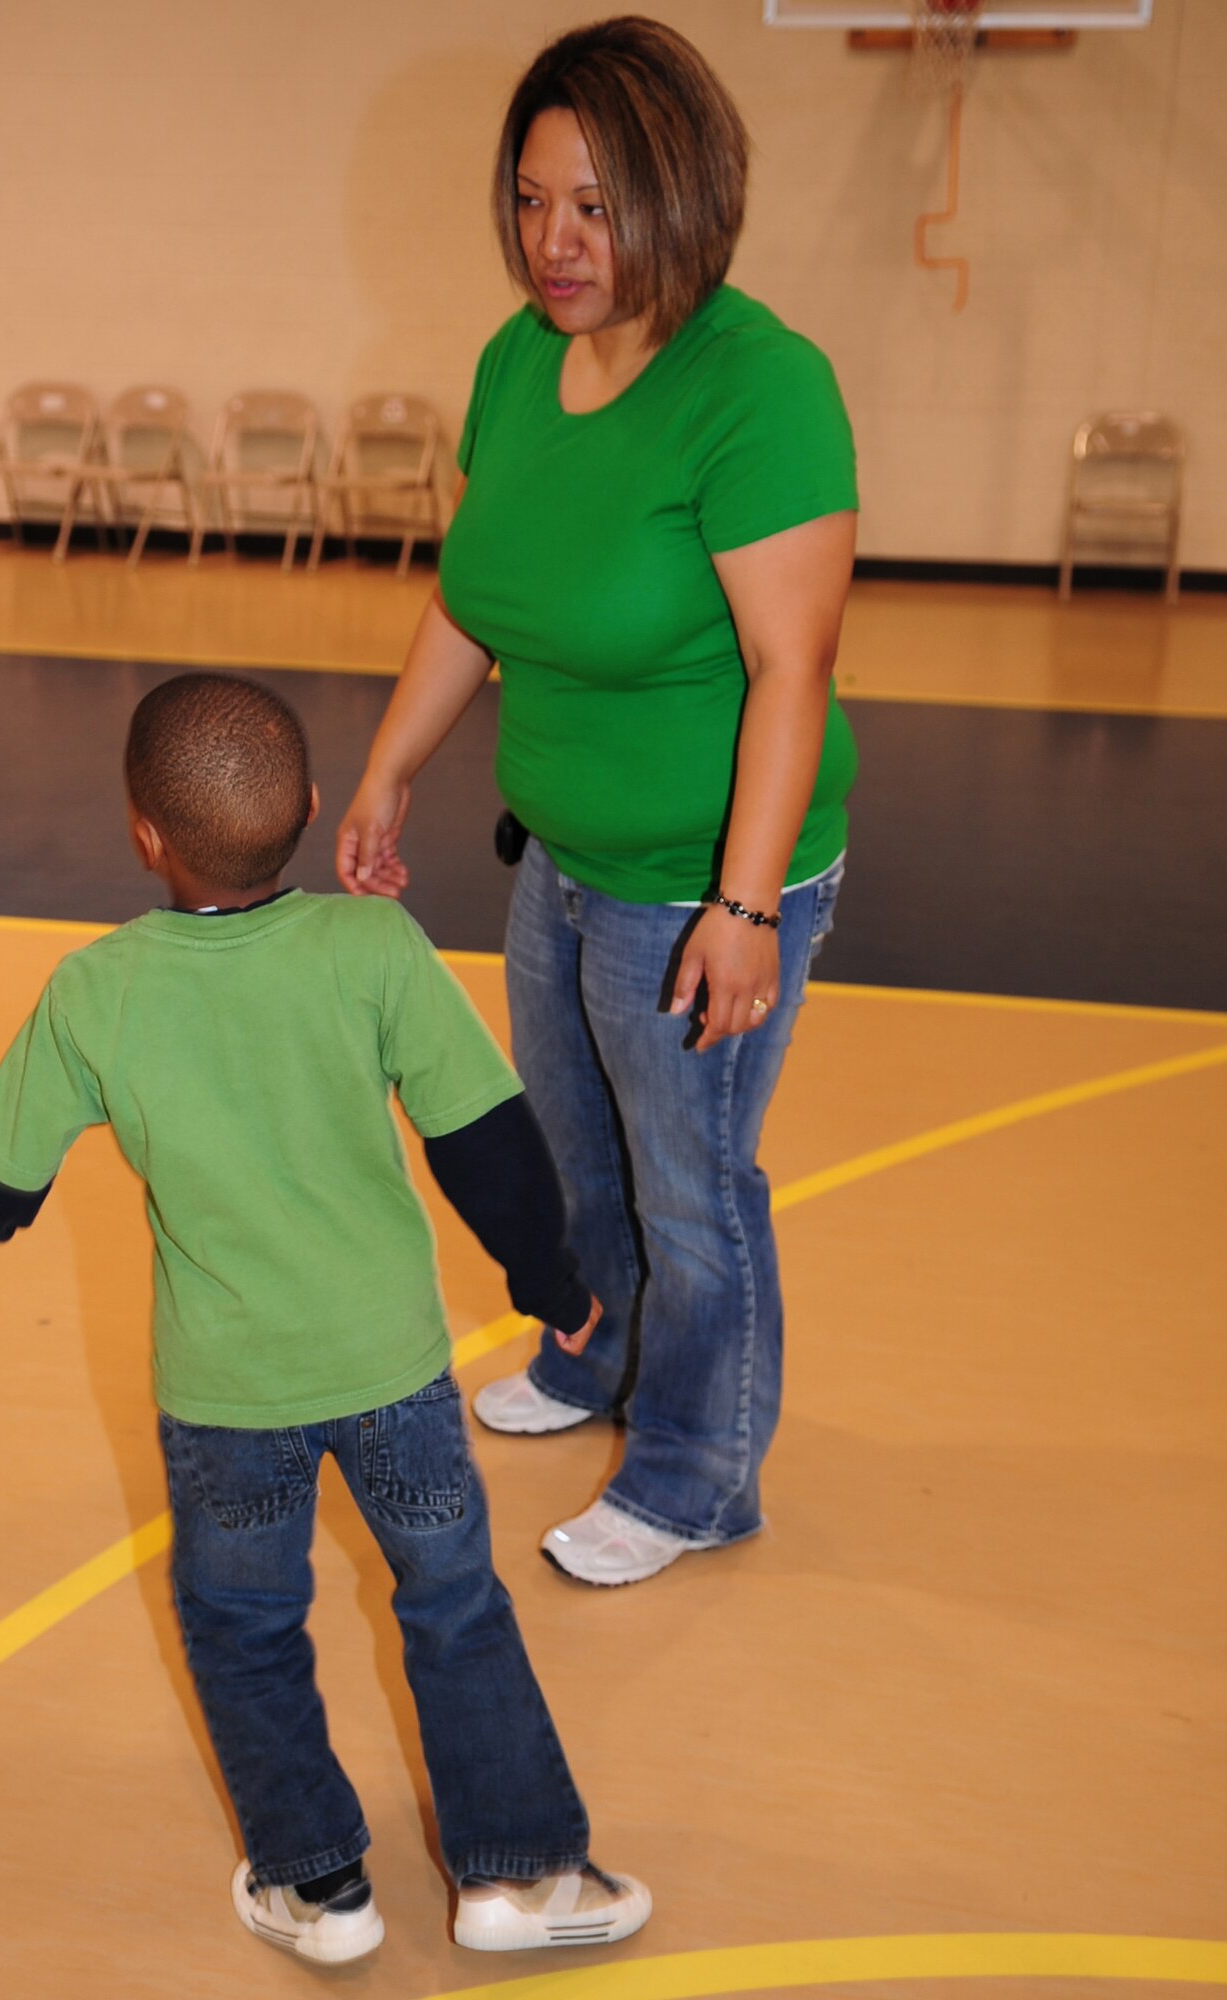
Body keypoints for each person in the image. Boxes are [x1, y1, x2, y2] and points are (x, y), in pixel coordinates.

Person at [0, 671, 651, 1967]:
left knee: (241, 1626)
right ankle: (520, 1877)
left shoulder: (95, 989)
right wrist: (549, 1284)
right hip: (392, 1372)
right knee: (451, 1605)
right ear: (316, 809)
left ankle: (317, 1889)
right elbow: (486, 1142)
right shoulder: (373, 948)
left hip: (224, 1399)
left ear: (141, 832)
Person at [338, 17, 858, 1589]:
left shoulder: (759, 388)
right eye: (529, 199)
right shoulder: (515, 362)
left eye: (595, 207)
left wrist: (746, 904)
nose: (553, 244)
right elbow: (474, 598)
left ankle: (700, 1472)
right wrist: (388, 764)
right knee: (573, 1150)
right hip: (560, 855)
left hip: (701, 876)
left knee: (692, 1182)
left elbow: (792, 666)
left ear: (682, 196)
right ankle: (596, 1354)